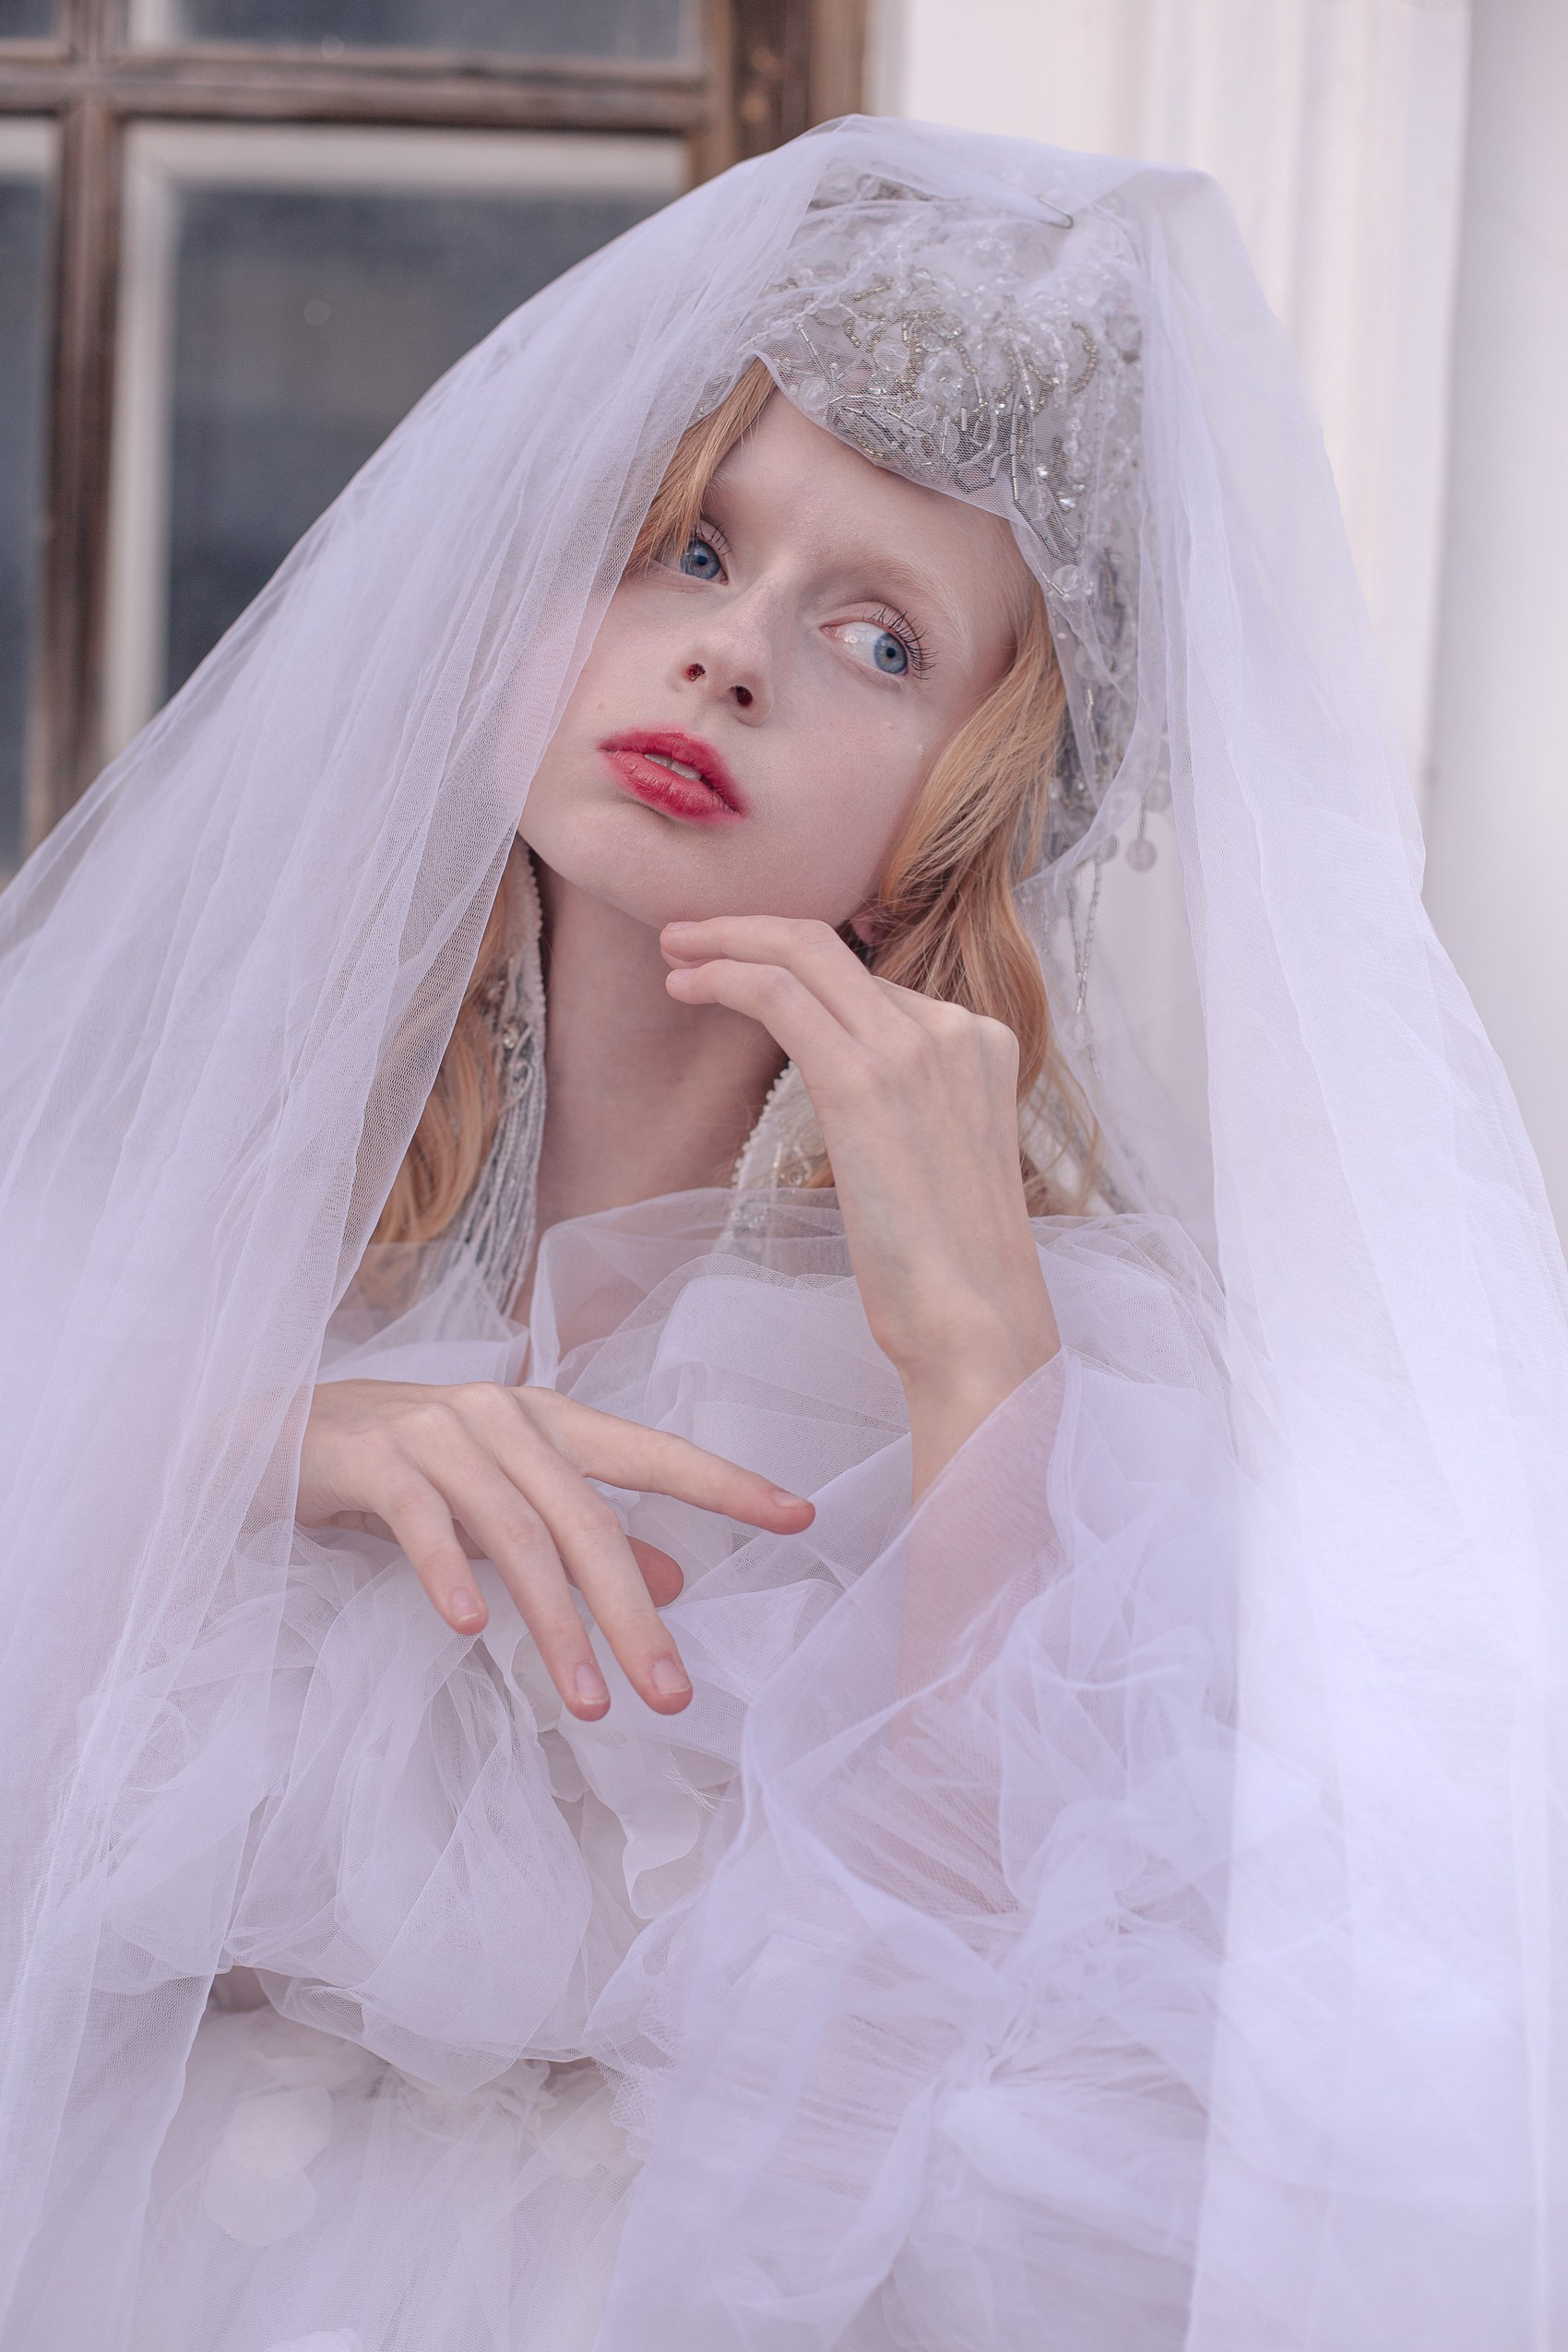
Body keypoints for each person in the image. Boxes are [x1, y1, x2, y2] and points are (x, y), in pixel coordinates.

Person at [0, 116, 1562, 2352]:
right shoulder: (170, 1217)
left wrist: (972, 1366)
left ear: (964, 808)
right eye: (689, 551)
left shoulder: (1088, 1376)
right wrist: (274, 1438)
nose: (732, 657)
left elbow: (955, 2089)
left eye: (877, 637)